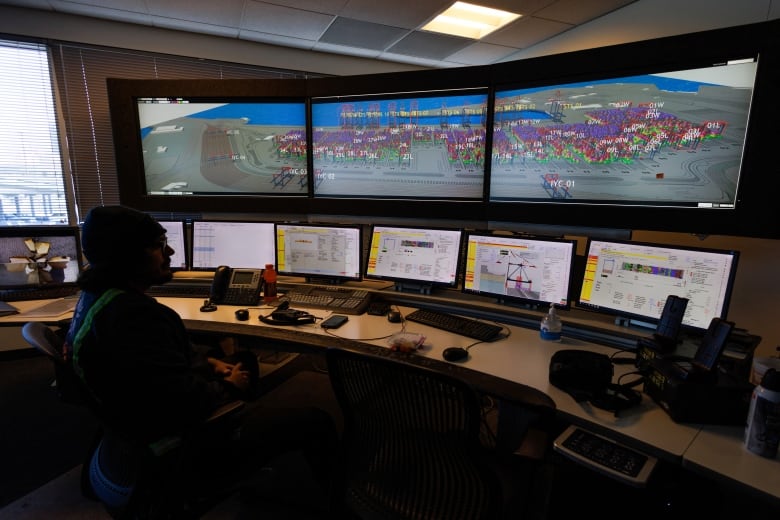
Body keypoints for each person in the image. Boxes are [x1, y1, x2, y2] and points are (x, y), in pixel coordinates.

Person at [64, 205, 339, 514]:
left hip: (129, 433)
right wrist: (230, 387)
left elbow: (152, 364)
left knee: (243, 358)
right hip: (174, 447)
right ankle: (331, 502)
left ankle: (245, 444)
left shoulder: (96, 300)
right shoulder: (137, 317)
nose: (169, 251)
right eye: (157, 245)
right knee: (316, 420)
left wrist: (209, 362)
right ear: (128, 257)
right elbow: (184, 402)